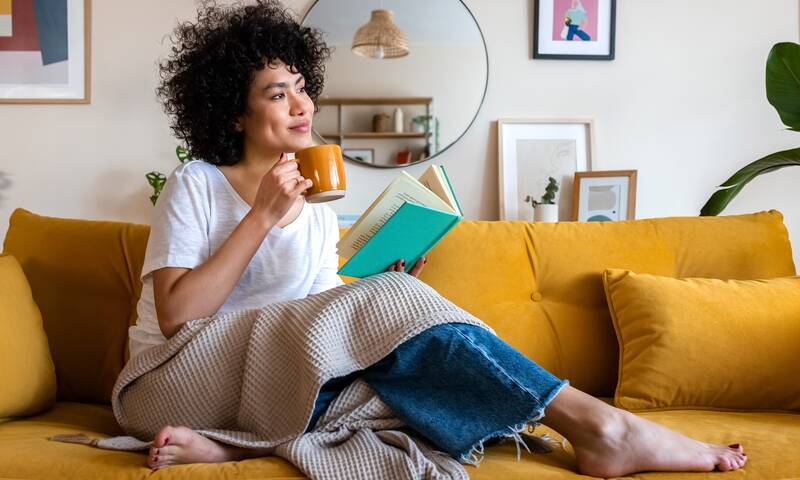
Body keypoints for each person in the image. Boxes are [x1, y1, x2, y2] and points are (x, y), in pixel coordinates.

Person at [127, 0, 747, 475]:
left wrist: (383, 293)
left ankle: (234, 447)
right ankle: (602, 426)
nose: (300, 104)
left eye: (302, 86)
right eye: (276, 92)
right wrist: (260, 217)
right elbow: (179, 317)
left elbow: (312, 319)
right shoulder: (198, 183)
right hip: (171, 380)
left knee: (403, 370)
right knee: (396, 353)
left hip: (265, 382)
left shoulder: (315, 208)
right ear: (234, 113)